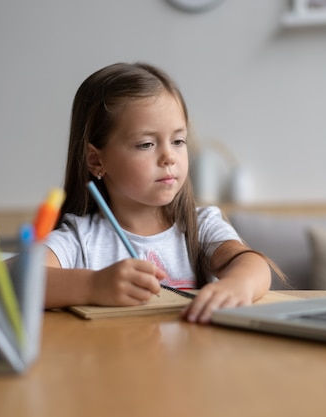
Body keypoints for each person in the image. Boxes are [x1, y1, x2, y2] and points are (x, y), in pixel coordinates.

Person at [43, 62, 282, 324]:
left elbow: (254, 266)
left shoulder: (200, 226)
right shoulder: (80, 239)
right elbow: (12, 278)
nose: (169, 156)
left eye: (178, 141)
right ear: (96, 160)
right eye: (146, 144)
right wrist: (93, 285)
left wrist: (238, 286)